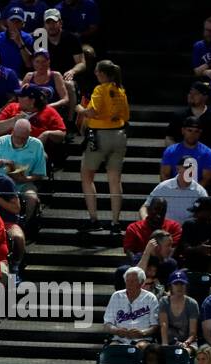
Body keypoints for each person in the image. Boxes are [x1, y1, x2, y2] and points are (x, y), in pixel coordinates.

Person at [76, 60, 128, 234]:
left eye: (97, 72)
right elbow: (126, 115)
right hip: (119, 136)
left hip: (98, 135)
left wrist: (80, 109)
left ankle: (94, 219)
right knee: (115, 180)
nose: (96, 75)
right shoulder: (120, 90)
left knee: (87, 176)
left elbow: (92, 112)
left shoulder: (100, 89)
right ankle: (115, 223)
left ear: (102, 74)